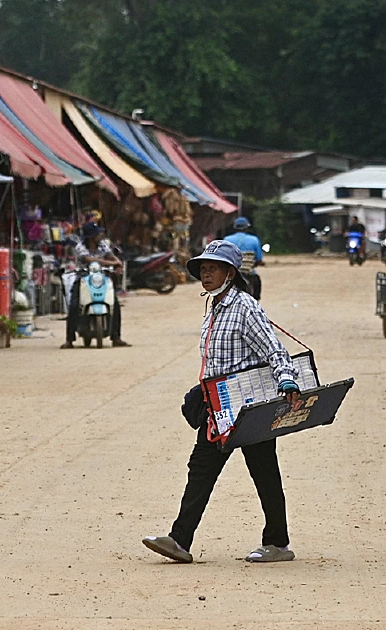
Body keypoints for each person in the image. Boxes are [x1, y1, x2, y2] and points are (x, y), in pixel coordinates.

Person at [142, 240, 303, 564]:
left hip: (248, 407)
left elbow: (273, 349)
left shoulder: (246, 307)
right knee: (200, 469)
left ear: (230, 273)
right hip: (218, 408)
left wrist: (286, 378)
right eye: (203, 269)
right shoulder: (213, 305)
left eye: (212, 268)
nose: (205, 274)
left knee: (264, 471)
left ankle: (278, 544)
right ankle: (179, 540)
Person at [62, 223, 129, 348]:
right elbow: (88, 260)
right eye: (98, 233)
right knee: (74, 305)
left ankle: (116, 337)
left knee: (114, 304)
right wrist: (111, 262)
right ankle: (69, 340)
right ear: (91, 236)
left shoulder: (102, 245)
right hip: (83, 277)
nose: (100, 235)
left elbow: (110, 255)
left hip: (101, 277)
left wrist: (117, 262)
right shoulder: (80, 246)